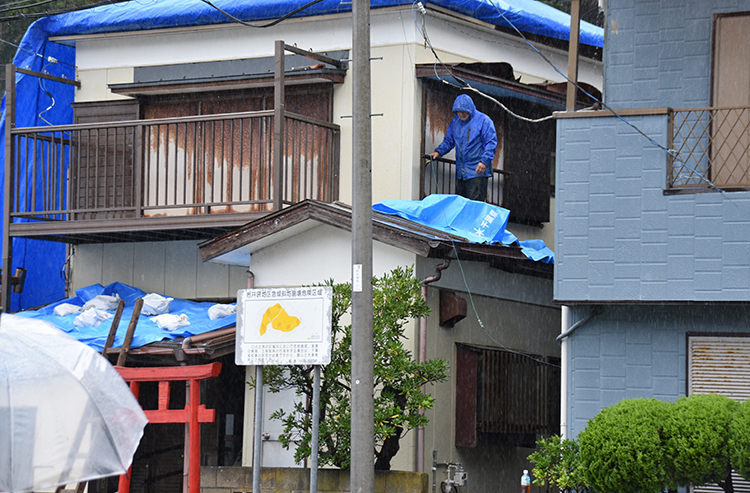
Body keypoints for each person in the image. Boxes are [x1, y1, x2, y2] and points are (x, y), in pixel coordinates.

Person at [429, 94, 497, 202]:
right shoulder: (455, 122)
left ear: (471, 109)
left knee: (475, 206)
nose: (461, 114)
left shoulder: (484, 120)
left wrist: (484, 161)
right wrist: (438, 152)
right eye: (458, 111)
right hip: (462, 172)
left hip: (478, 171)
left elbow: (491, 142)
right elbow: (449, 140)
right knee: (461, 204)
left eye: (464, 111)